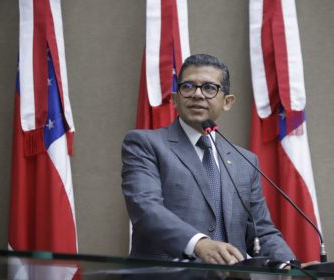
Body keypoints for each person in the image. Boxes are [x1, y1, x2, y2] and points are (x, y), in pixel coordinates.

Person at [121, 54, 295, 265]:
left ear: (227, 102)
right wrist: (199, 244)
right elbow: (145, 208)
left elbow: (261, 231)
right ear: (176, 98)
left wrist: (291, 265)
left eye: (209, 88)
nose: (197, 94)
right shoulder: (145, 144)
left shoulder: (244, 161)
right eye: (188, 87)